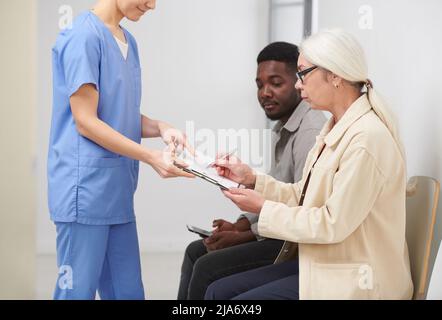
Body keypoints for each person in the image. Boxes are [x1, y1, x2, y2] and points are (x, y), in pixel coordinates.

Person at [207, 29, 413, 300]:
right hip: (330, 264)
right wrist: (253, 179)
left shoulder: (367, 140)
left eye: (303, 73)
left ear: (335, 75)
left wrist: (262, 209)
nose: (297, 84)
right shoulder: (335, 127)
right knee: (217, 291)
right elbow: (303, 195)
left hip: (358, 280)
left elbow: (331, 223)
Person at [48, 0, 194, 300]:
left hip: (117, 192)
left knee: (128, 293)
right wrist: (151, 156)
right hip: (84, 193)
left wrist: (162, 127)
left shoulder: (129, 42)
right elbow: (86, 122)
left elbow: (119, 114)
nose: (152, 5)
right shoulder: (82, 37)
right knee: (76, 293)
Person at [177, 42, 326, 300]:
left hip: (294, 244)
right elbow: (280, 191)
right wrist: (241, 225)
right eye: (260, 85)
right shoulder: (286, 126)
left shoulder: (310, 132)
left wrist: (244, 235)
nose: (265, 93)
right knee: (196, 251)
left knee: (206, 265)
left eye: (276, 83)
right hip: (279, 231)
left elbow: (302, 209)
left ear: (298, 82)